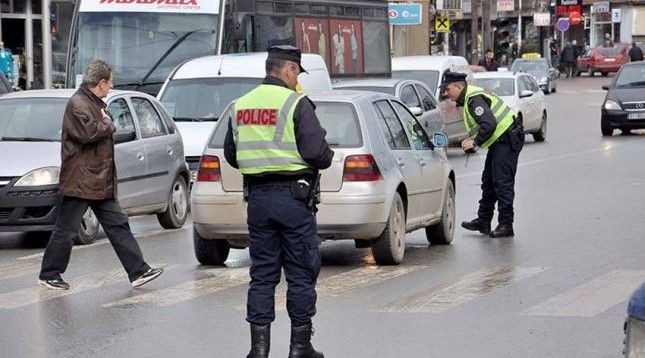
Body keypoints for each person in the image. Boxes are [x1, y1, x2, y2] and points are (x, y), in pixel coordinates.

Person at [224, 45, 333, 358]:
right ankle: (300, 349)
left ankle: (258, 350)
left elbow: (232, 153)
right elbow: (316, 152)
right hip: (293, 200)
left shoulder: (240, 105)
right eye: (296, 71)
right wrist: (327, 156)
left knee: (262, 275)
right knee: (300, 272)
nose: (297, 77)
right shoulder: (296, 102)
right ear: (288, 70)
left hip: (258, 200)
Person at [38, 60, 164, 290]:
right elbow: (90, 132)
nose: (111, 87)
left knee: (118, 225)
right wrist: (108, 122)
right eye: (110, 82)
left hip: (98, 180)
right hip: (80, 180)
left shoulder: (93, 102)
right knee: (66, 230)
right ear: (101, 83)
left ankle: (138, 271)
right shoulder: (78, 104)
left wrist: (106, 120)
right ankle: (49, 273)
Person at [440, 71, 524, 238]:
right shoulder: (470, 97)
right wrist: (472, 138)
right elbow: (486, 124)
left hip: (506, 139)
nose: (446, 93)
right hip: (500, 140)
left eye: (448, 89)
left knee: (502, 182)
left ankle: (506, 225)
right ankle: (483, 220)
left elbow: (489, 123)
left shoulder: (473, 99)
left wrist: (475, 141)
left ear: (458, 86)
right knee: (489, 181)